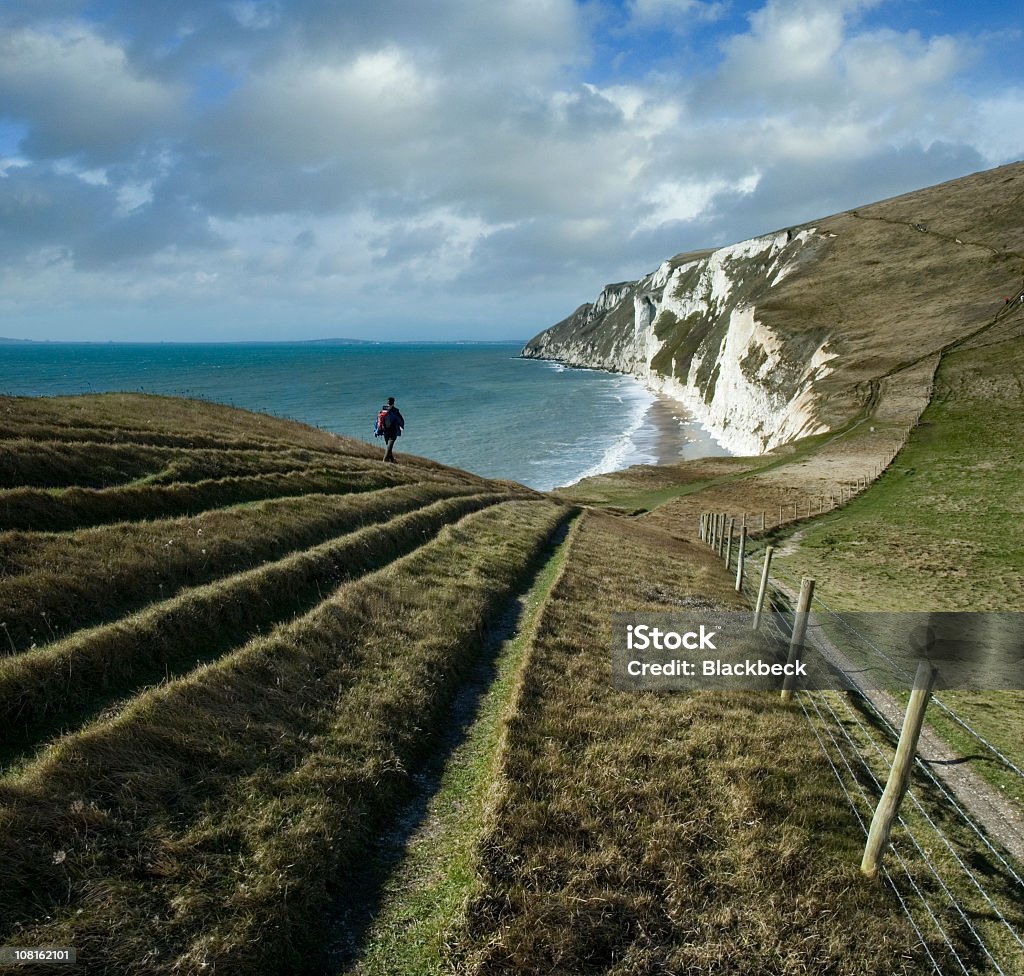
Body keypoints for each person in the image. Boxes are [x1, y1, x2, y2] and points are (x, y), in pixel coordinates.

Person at [374, 396, 405, 462]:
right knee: (389, 447)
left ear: (387, 402)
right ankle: (384, 461)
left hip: (385, 431)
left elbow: (377, 421)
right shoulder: (395, 411)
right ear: (393, 403)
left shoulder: (382, 411)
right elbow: (401, 420)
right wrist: (401, 427)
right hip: (393, 431)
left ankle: (392, 460)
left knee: (389, 446)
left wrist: (376, 430)